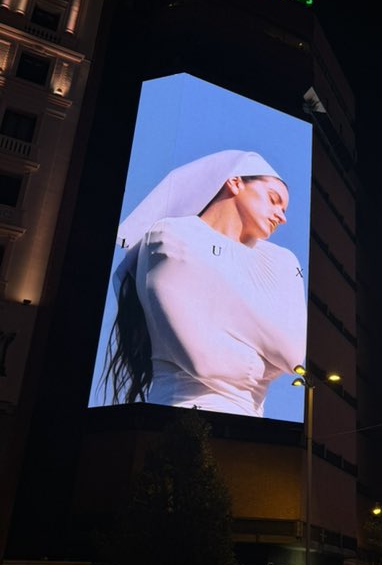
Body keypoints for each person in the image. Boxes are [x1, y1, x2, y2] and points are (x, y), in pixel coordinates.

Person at [103, 150, 307, 417]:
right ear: (234, 182)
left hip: (252, 425)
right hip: (179, 416)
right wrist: (265, 363)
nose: (281, 216)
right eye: (273, 200)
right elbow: (204, 362)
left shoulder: (281, 259)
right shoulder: (172, 235)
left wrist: (224, 312)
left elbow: (292, 353)